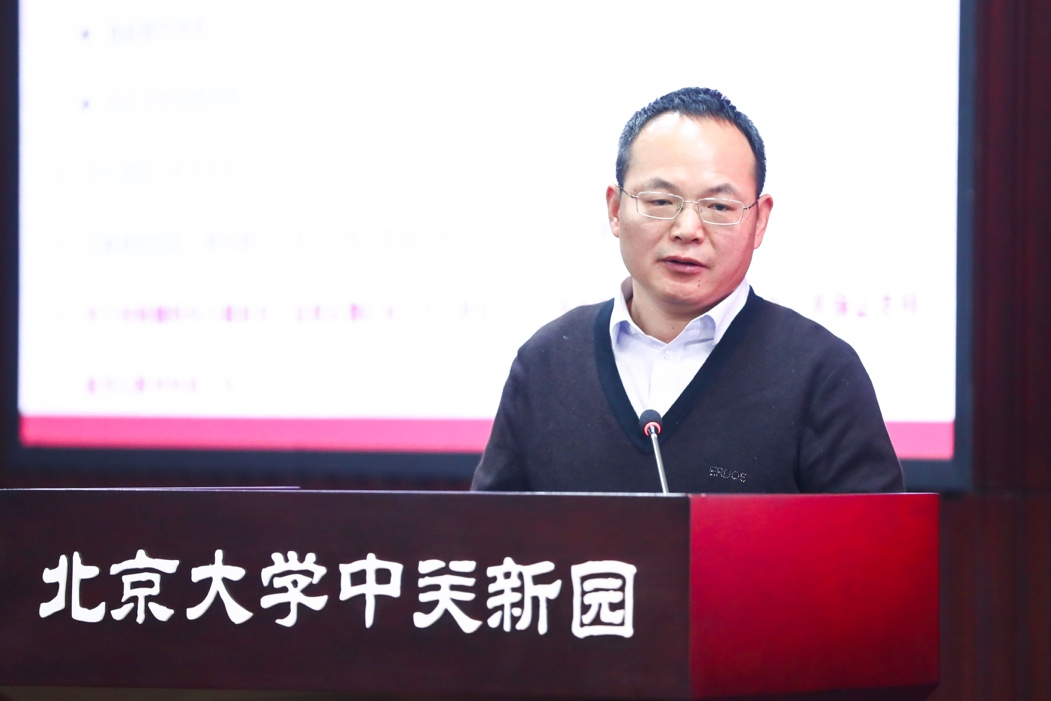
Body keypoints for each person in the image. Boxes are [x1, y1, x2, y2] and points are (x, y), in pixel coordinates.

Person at [471, 87, 904, 493]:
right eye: (661, 201)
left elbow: (875, 542)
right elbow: (487, 536)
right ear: (615, 209)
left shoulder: (823, 373)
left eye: (718, 206)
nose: (687, 229)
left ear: (760, 221)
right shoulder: (546, 361)